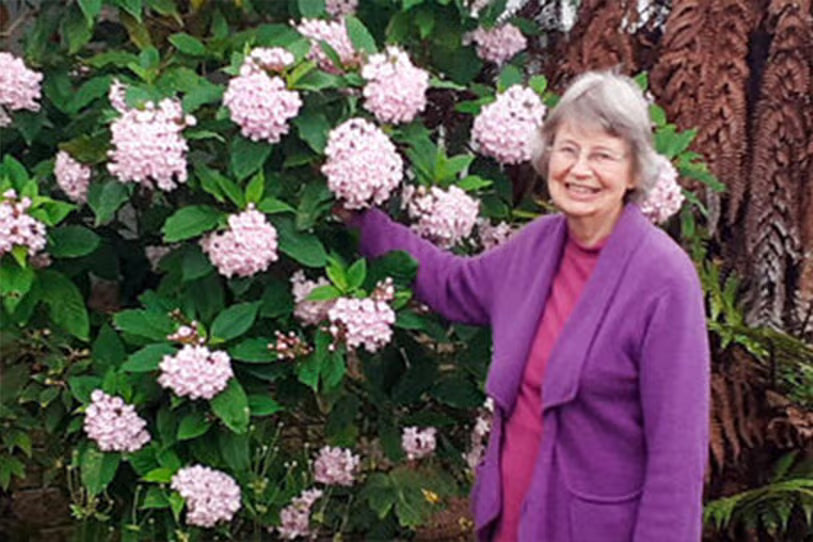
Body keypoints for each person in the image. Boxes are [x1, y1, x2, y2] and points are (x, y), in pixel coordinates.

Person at [343, 71, 710, 542]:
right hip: (511, 522)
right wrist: (362, 222)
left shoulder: (664, 281)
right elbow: (454, 285)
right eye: (568, 149)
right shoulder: (537, 245)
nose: (580, 170)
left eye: (603, 155)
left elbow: (677, 457)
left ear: (634, 171)